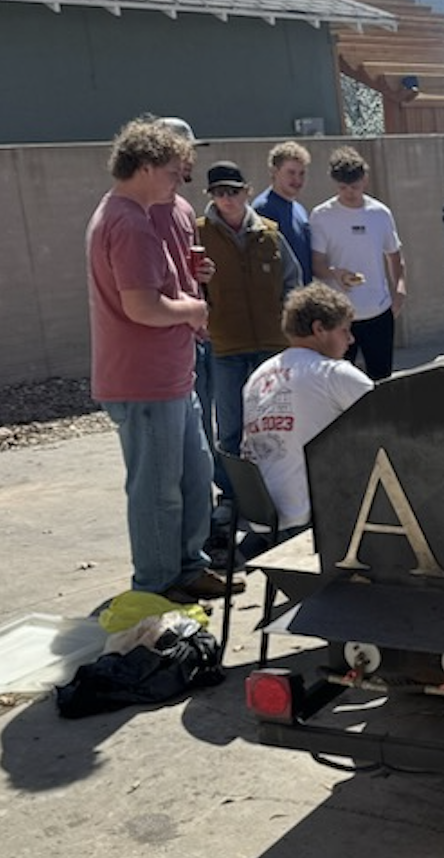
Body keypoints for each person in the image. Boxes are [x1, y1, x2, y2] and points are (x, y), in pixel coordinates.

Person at [86, 116, 243, 604]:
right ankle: (154, 586)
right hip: (143, 379)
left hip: (170, 373)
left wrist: (191, 289)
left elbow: (162, 287)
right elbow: (142, 307)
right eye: (176, 170)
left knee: (192, 475)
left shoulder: (143, 212)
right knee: (157, 491)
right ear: (148, 166)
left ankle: (186, 568)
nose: (183, 179)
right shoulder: (129, 222)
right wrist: (196, 308)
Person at [239, 282, 375, 555]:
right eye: (345, 331)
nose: (350, 340)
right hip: (309, 520)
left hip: (263, 517)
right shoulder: (332, 373)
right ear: (318, 329)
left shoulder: (257, 376)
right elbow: (393, 421)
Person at [150, 116, 232, 547]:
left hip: (199, 338)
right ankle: (181, 552)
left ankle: (201, 543)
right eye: (185, 151)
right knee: (177, 461)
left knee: (203, 446)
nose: (190, 160)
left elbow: (186, 272)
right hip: (168, 349)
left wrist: (203, 274)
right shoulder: (142, 210)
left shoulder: (183, 210)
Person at [196, 160, 302, 486]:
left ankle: (276, 487)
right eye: (219, 193)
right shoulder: (199, 234)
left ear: (247, 192)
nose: (226, 199)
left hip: (271, 346)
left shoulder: (269, 234)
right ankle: (231, 495)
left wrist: (288, 322)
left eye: (233, 191)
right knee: (229, 429)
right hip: (225, 346)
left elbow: (292, 281)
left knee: (274, 424)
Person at [309, 146, 406, 381]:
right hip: (339, 315)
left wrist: (400, 291)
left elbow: (394, 255)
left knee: (381, 380)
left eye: (355, 186)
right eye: (343, 188)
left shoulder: (380, 213)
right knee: (338, 382)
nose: (350, 193)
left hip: (378, 311)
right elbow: (317, 263)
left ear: (365, 180)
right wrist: (336, 273)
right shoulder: (322, 216)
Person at [252, 140, 315, 284]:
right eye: (291, 173)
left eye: (302, 173)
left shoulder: (299, 209)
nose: (297, 179)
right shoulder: (264, 208)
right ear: (274, 172)